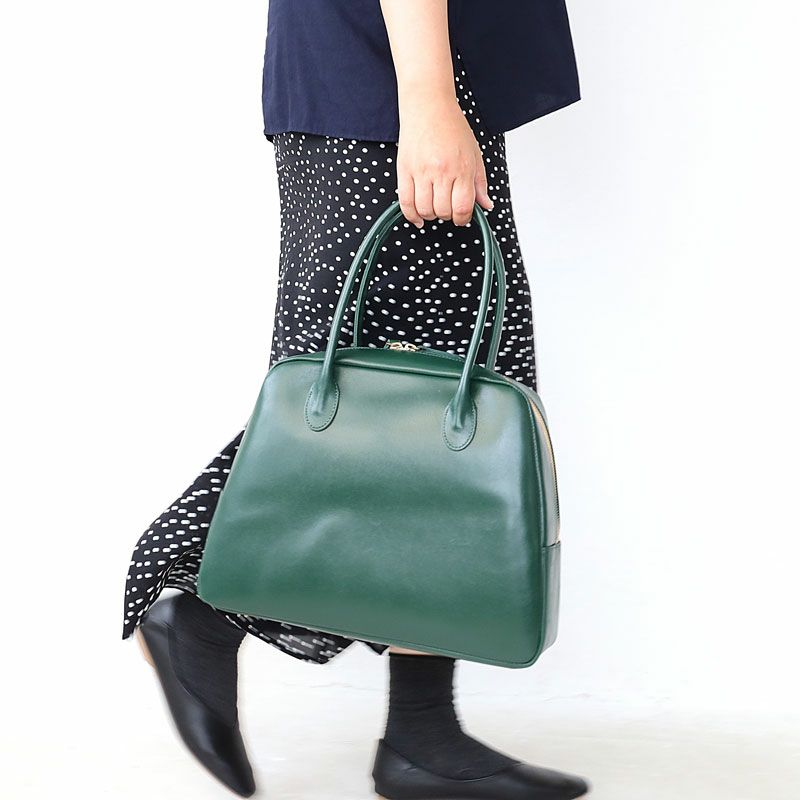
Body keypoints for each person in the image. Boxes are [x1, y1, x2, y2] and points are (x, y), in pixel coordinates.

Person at [123, 1, 589, 797]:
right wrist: (428, 102)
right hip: (391, 85)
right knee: (414, 405)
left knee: (437, 405)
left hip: (389, 78)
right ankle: (198, 600)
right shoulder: (413, 94)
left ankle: (419, 732)